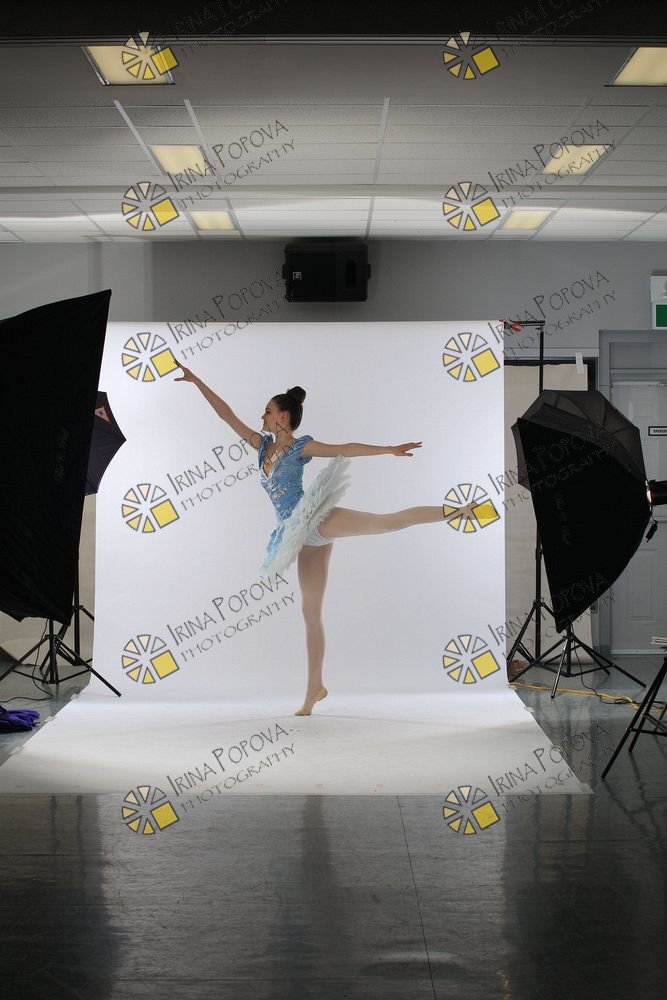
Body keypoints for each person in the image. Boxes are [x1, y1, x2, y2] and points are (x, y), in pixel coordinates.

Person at [174, 363, 476, 716]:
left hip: (314, 517)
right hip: (296, 534)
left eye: (267, 411)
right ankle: (314, 689)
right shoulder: (261, 447)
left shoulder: (301, 447)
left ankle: (459, 511)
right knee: (310, 611)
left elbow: (345, 448)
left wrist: (388, 449)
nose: (262, 416)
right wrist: (196, 381)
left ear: (283, 416)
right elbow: (226, 414)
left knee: (386, 523)